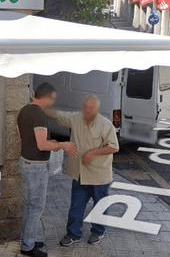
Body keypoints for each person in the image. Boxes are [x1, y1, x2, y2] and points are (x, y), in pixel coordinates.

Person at [17, 82, 78, 257]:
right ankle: (28, 247)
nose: (52, 103)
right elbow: (42, 144)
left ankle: (28, 239)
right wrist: (62, 145)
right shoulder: (39, 115)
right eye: (52, 99)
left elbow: (27, 138)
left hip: (26, 162)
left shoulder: (24, 110)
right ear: (46, 97)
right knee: (36, 206)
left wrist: (53, 144)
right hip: (36, 167)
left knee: (30, 205)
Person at [51, 95, 119, 246]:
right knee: (76, 205)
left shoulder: (105, 124)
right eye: (86, 107)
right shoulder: (76, 118)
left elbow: (114, 146)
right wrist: (42, 107)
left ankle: (98, 231)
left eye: (91, 108)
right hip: (80, 173)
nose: (87, 110)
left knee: (100, 205)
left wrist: (92, 153)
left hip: (99, 174)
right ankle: (73, 234)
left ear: (97, 109)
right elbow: (60, 115)